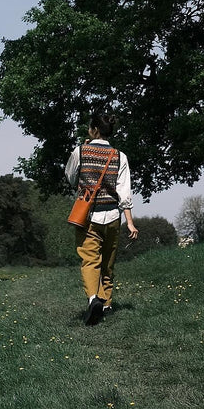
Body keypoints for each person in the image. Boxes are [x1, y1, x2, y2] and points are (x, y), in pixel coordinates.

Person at [65, 110, 138, 325]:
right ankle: (106, 304)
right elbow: (125, 192)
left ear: (94, 130)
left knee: (90, 260)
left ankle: (93, 299)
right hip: (113, 216)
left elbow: (70, 177)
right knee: (108, 263)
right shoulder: (119, 156)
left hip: (87, 216)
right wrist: (130, 222)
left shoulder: (80, 151)